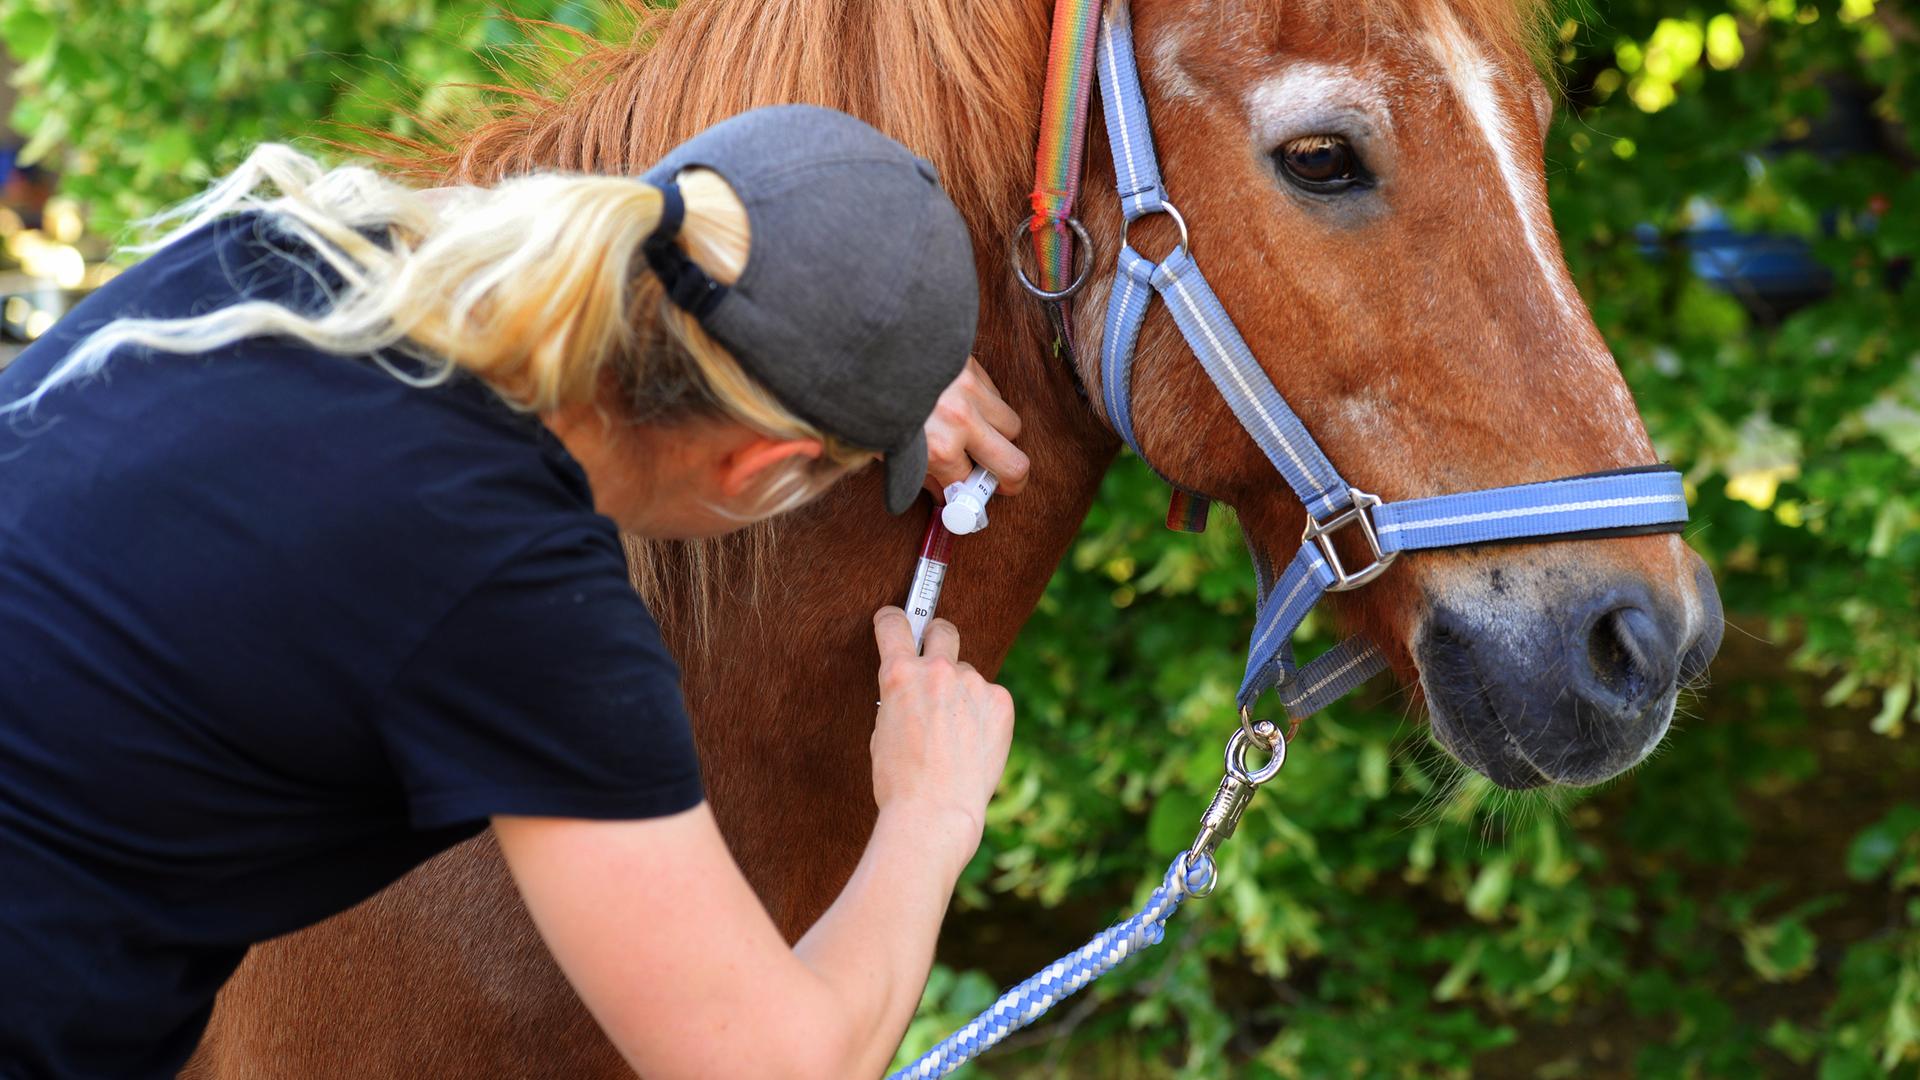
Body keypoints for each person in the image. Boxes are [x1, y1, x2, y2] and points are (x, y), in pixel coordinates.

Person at [0, 105, 1032, 1079]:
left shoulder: (289, 249)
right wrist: (930, 813)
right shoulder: (511, 590)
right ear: (759, 471)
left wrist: (834, 351)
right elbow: (770, 1060)